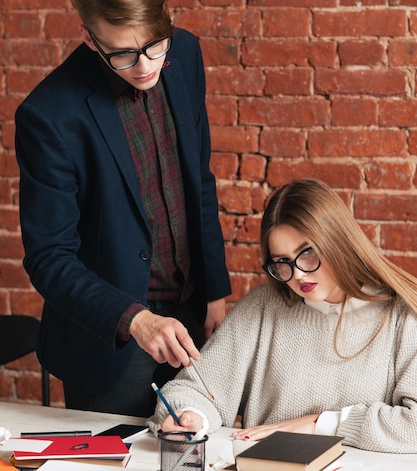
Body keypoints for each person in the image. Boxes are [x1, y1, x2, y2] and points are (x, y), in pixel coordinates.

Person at [15, 0, 231, 416]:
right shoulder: (48, 115)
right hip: (108, 342)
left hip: (193, 310)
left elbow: (199, 180)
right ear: (88, 37)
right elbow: (49, 258)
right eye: (122, 54)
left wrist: (215, 290)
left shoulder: (185, 54)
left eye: (154, 47)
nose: (144, 66)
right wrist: (135, 319)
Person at [148, 178, 417, 453]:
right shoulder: (261, 308)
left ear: (338, 240)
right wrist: (191, 415)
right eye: (282, 262)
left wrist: (320, 424)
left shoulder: (401, 315)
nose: (298, 274)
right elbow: (194, 389)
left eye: (307, 253)